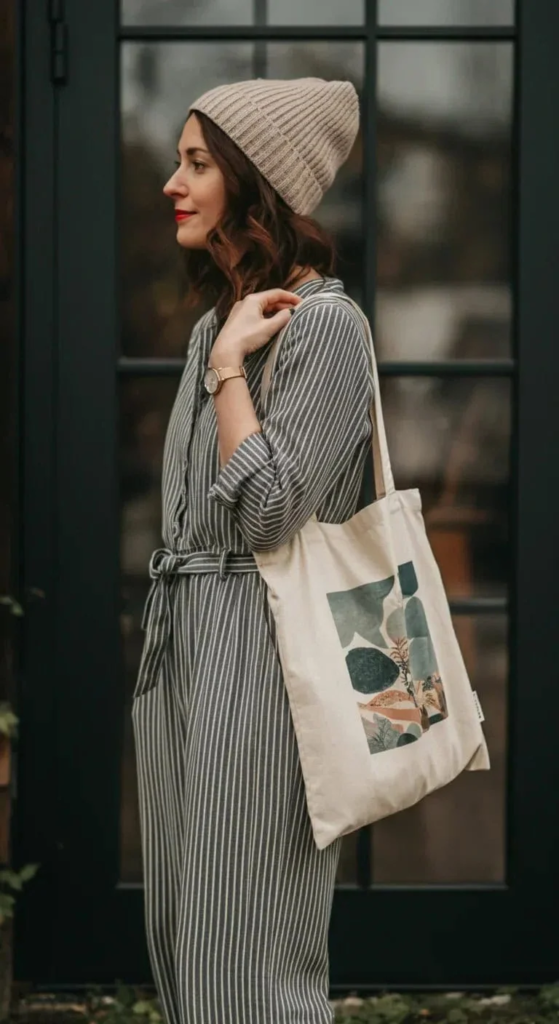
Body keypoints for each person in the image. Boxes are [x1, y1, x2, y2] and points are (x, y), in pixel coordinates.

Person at [131, 77, 374, 1024]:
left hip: (268, 662)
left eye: (195, 164)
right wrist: (223, 349)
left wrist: (233, 369)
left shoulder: (325, 328)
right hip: (188, 645)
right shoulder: (211, 329)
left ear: (253, 182)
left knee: (248, 949)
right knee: (188, 939)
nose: (170, 184)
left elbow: (268, 517)